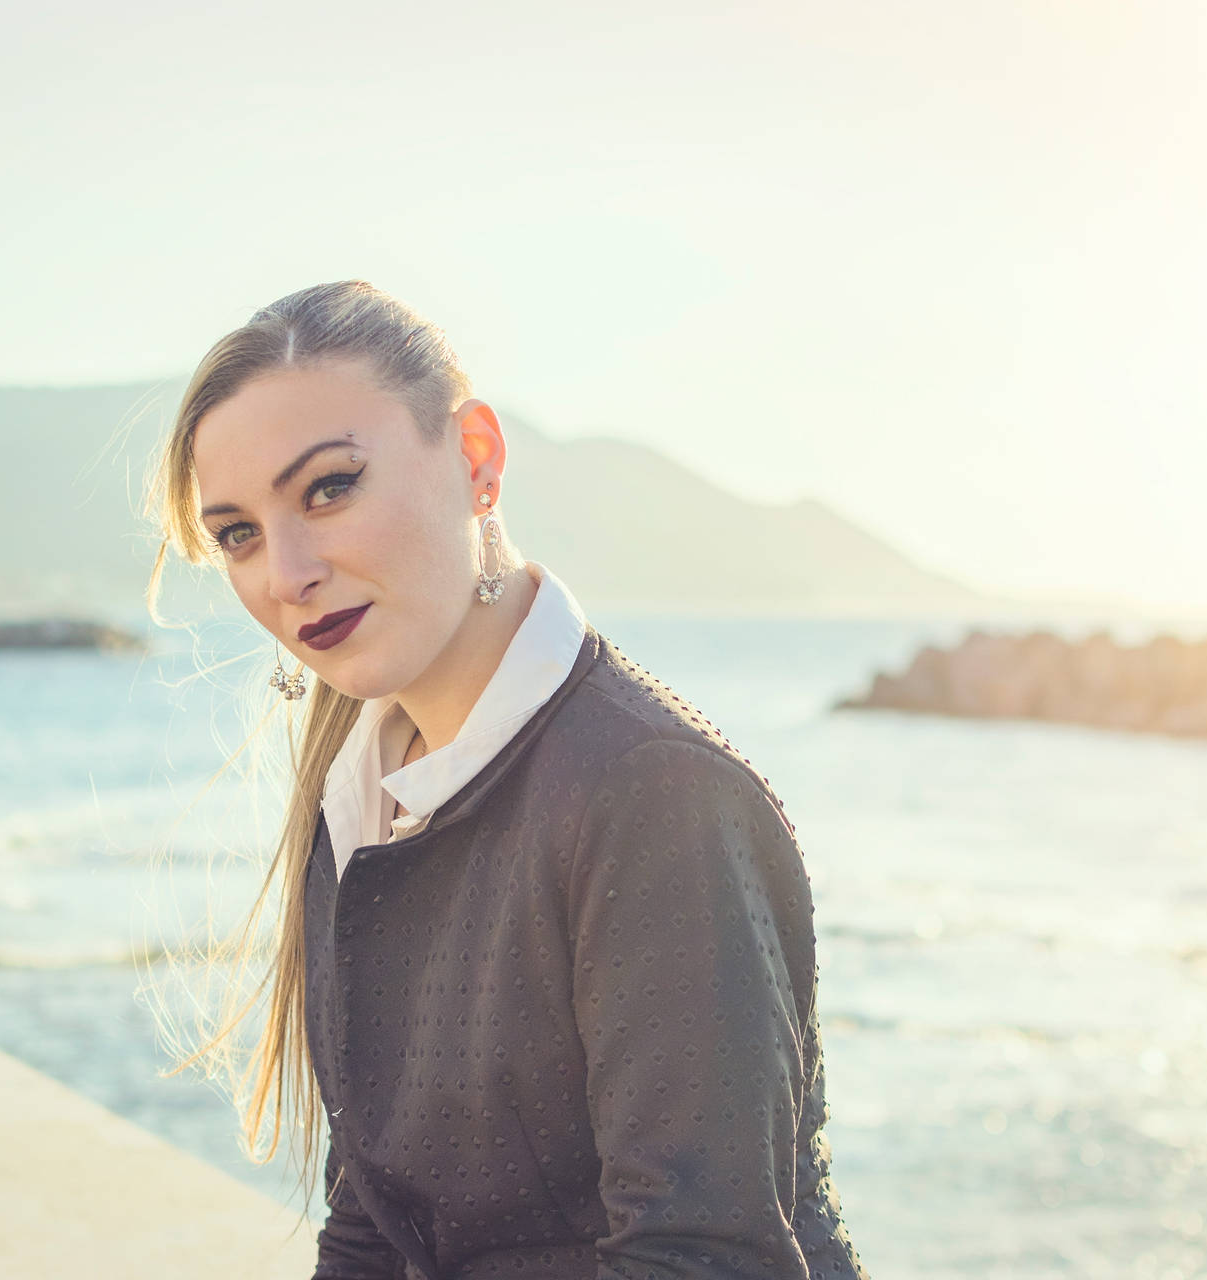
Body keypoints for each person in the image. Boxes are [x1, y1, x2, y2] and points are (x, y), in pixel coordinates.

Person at [145, 280, 870, 1280]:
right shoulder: (357, 789)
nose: (287, 570)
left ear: (477, 458)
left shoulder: (650, 793)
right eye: (238, 532)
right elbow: (370, 1224)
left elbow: (701, 1258)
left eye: (328, 488)